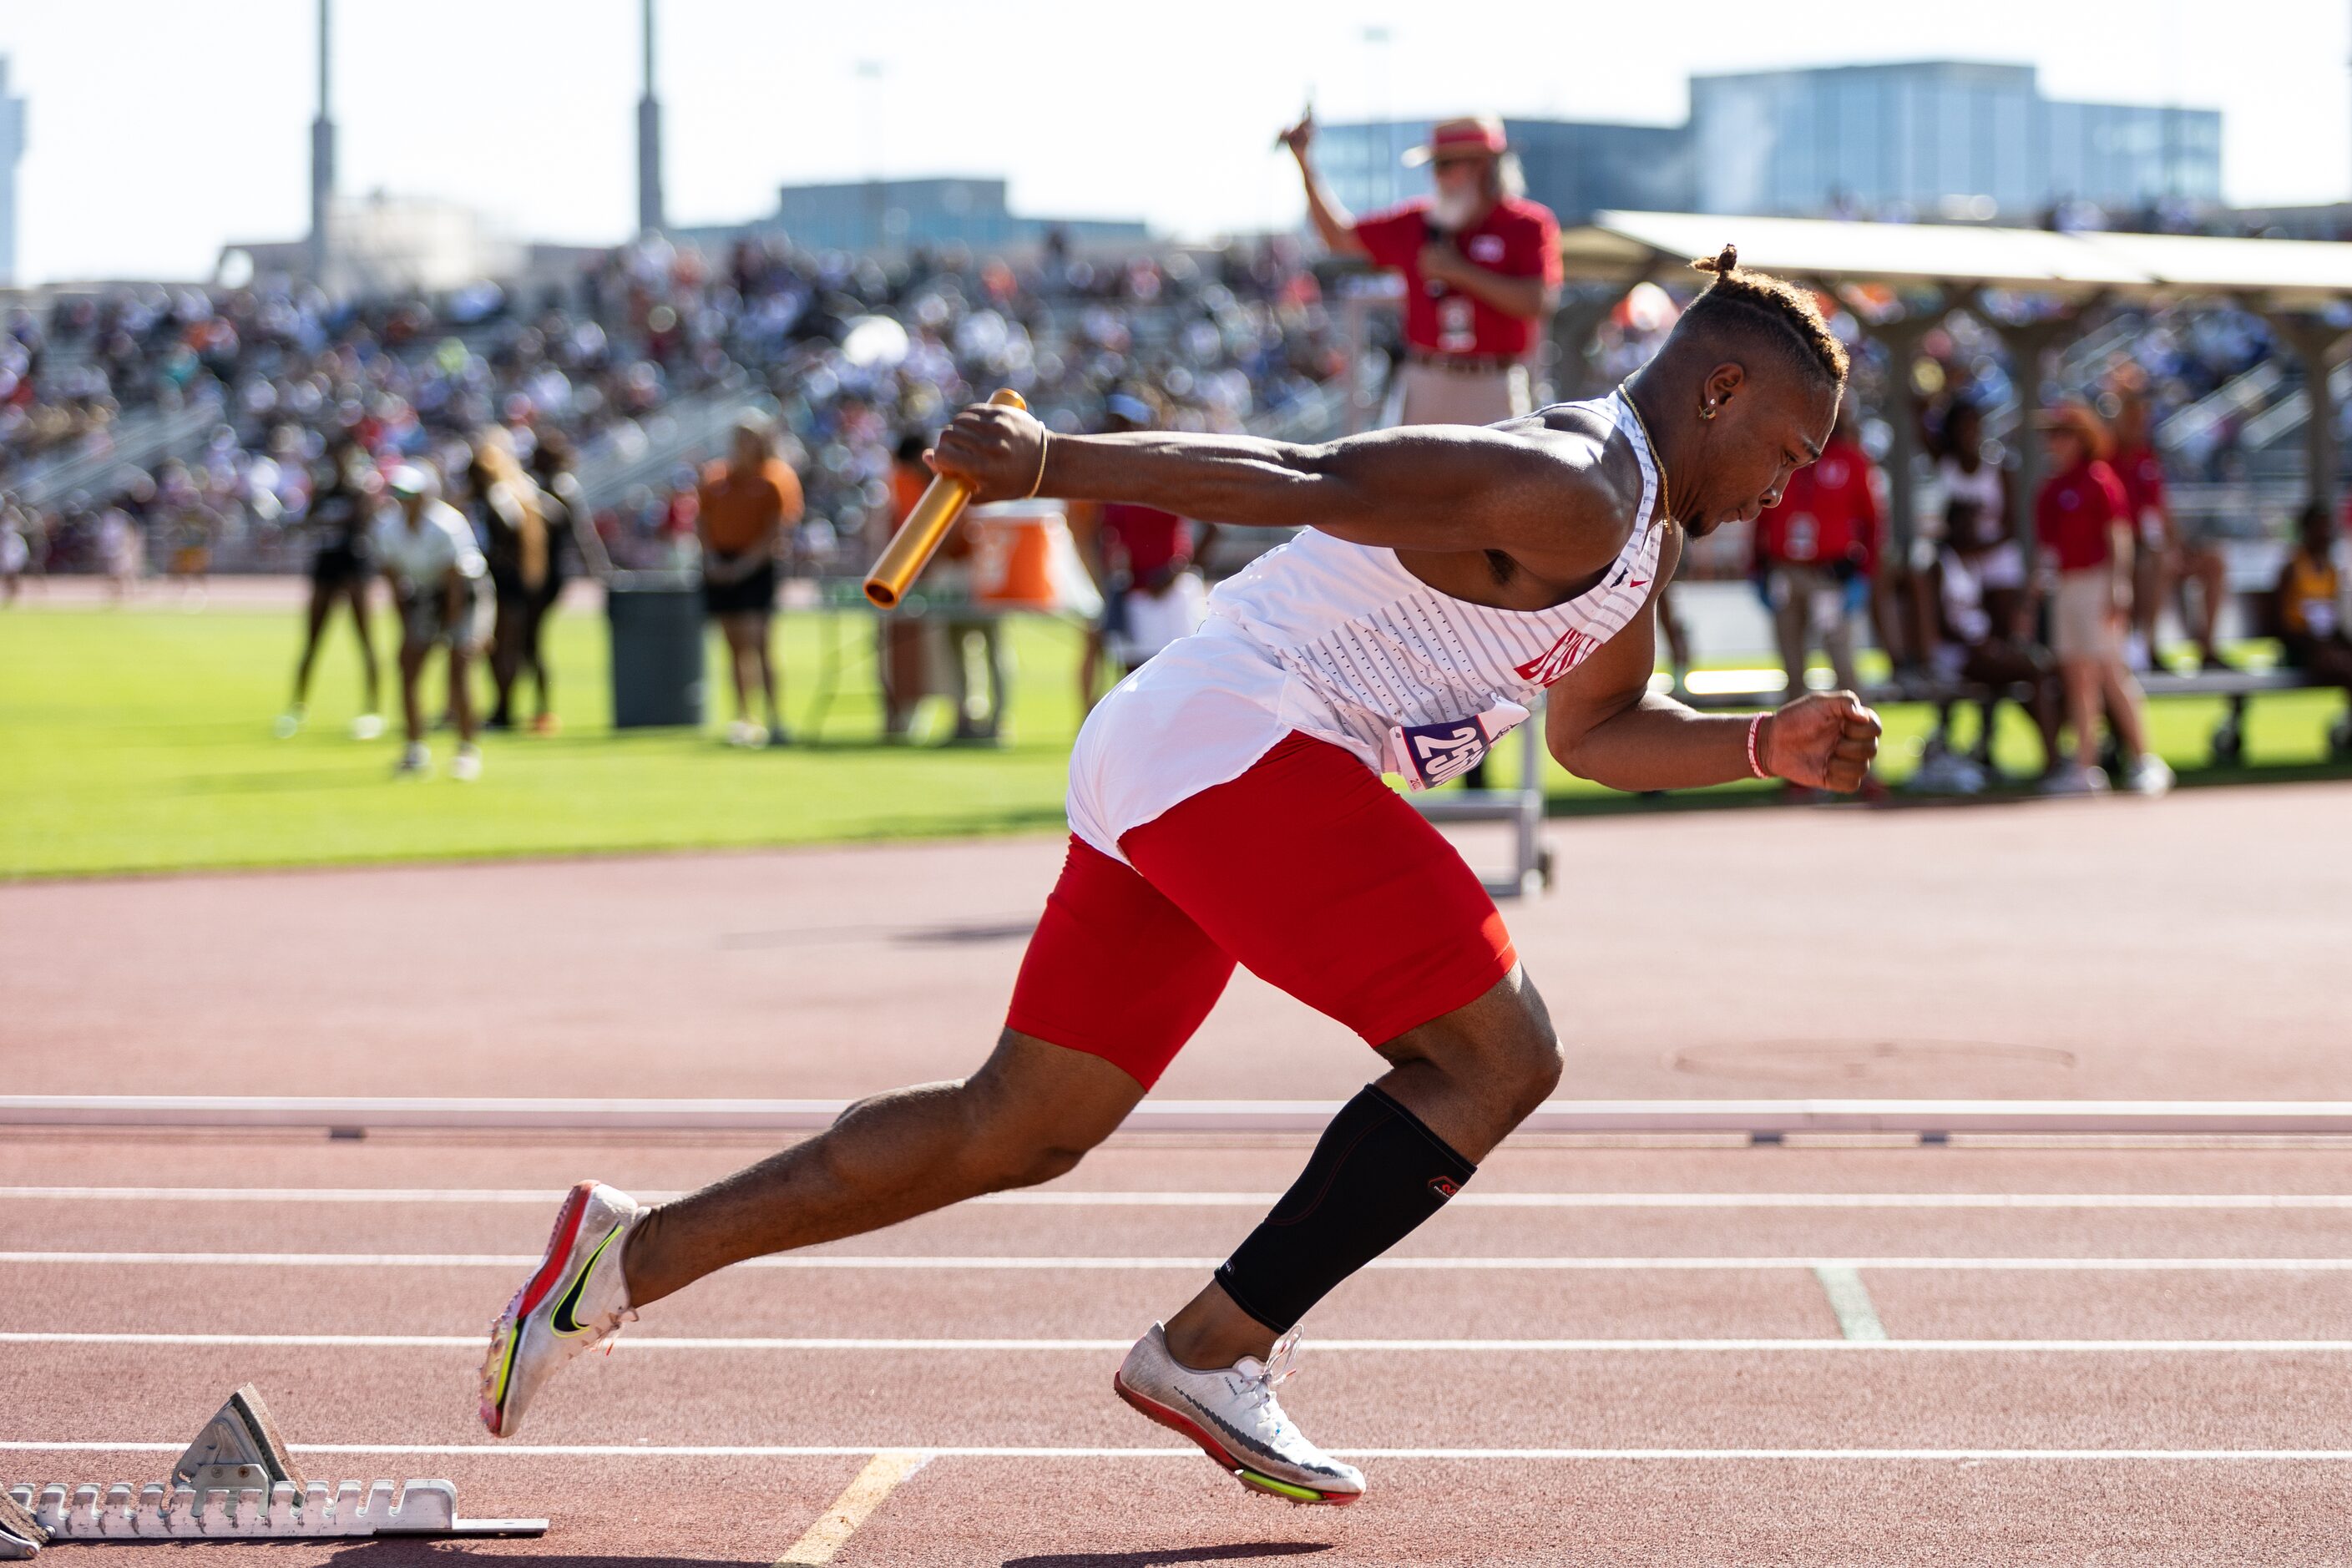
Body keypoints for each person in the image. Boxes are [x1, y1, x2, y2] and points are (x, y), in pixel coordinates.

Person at [477, 244, 1880, 1507]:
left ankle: (626, 1257)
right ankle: (1212, 1349)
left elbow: (1597, 733)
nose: (1792, 478)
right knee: (1499, 1055)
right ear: (1720, 388)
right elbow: (1304, 476)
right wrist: (1051, 465)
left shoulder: (1642, 542)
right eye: (1789, 444)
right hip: (1240, 741)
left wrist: (1765, 741)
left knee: (1017, 1126)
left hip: (1183, 755)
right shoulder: (1576, 481)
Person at [1282, 111, 1560, 428]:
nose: (1437, 177)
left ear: (1483, 166)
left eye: (1446, 165)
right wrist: (1305, 164)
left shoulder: (1527, 224)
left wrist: (1460, 272)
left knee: (1497, 479)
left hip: (1493, 382)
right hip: (1427, 377)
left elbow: (1538, 302)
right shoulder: (1417, 222)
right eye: (1435, 166)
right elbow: (1338, 237)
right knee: (1412, 478)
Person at [2033, 402, 2171, 797]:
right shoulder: (2052, 488)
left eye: (2061, 436)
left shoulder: (2098, 478)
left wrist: (2118, 583)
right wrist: (2035, 593)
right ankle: (2085, 766)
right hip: (2067, 585)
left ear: (2081, 439)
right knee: (2078, 677)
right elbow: (2048, 550)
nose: (2053, 444)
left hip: (2096, 581)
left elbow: (2119, 536)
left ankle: (2145, 759)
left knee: (2110, 671)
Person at [1071, 393, 1220, 696]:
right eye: (1114, 425)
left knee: (1179, 683)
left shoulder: (1169, 471)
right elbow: (1099, 536)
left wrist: (1178, 570)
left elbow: (1213, 527)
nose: (1118, 432)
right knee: (1135, 686)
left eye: (1125, 425)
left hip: (1171, 594)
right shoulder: (1109, 482)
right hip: (1133, 593)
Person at [1753, 401, 1879, 695]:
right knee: (1791, 666)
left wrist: (1864, 572)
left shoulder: (1852, 460)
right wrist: (1757, 568)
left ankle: (1852, 735)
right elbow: (1761, 516)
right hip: (1785, 571)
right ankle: (1795, 739)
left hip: (1830, 575)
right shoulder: (1781, 460)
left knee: (1842, 662)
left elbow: (1872, 522)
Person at [372, 465, 487, 781]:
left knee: (459, 669)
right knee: (408, 668)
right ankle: (414, 750)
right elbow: (393, 579)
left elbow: (455, 583)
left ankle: (466, 750)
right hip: (425, 597)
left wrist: (452, 631)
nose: (403, 499)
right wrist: (407, 627)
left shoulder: (446, 524)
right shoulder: (387, 527)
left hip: (463, 596)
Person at [697, 417, 802, 747]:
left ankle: (775, 718)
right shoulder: (716, 478)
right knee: (733, 648)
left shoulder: (772, 480)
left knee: (759, 643)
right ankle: (744, 718)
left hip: (755, 567)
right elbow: (703, 522)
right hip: (721, 564)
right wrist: (713, 559)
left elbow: (775, 531)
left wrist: (744, 566)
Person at [278, 436, 385, 741]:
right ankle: (296, 707)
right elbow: (305, 522)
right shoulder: (323, 493)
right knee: (312, 641)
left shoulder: (360, 492)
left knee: (365, 640)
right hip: (325, 568)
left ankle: (371, 708)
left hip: (354, 568)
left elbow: (369, 522)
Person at [2110, 382, 2223, 670]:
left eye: (2142, 417)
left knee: (2213, 560)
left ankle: (2207, 647)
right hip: (2132, 551)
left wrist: (2179, 543)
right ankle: (2149, 646)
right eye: (2132, 417)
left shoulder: (2148, 457)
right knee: (2159, 562)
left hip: (2157, 545)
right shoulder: (2108, 461)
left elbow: (2161, 510)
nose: (2138, 424)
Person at [518, 429, 609, 735]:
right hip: (538, 573)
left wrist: (598, 569)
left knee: (532, 640)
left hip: (548, 575)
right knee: (526, 641)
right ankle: (530, 706)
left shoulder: (561, 490)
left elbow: (583, 535)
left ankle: (542, 708)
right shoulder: (537, 487)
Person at [2275, 500, 2352, 706]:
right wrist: (2316, 644)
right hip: (2300, 647)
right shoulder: (2293, 569)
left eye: (2327, 527)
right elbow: (2282, 624)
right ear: (2306, 530)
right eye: (2320, 527)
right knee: (2341, 667)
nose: (2325, 534)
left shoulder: (2330, 571)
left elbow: (2331, 618)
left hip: (2324, 644)